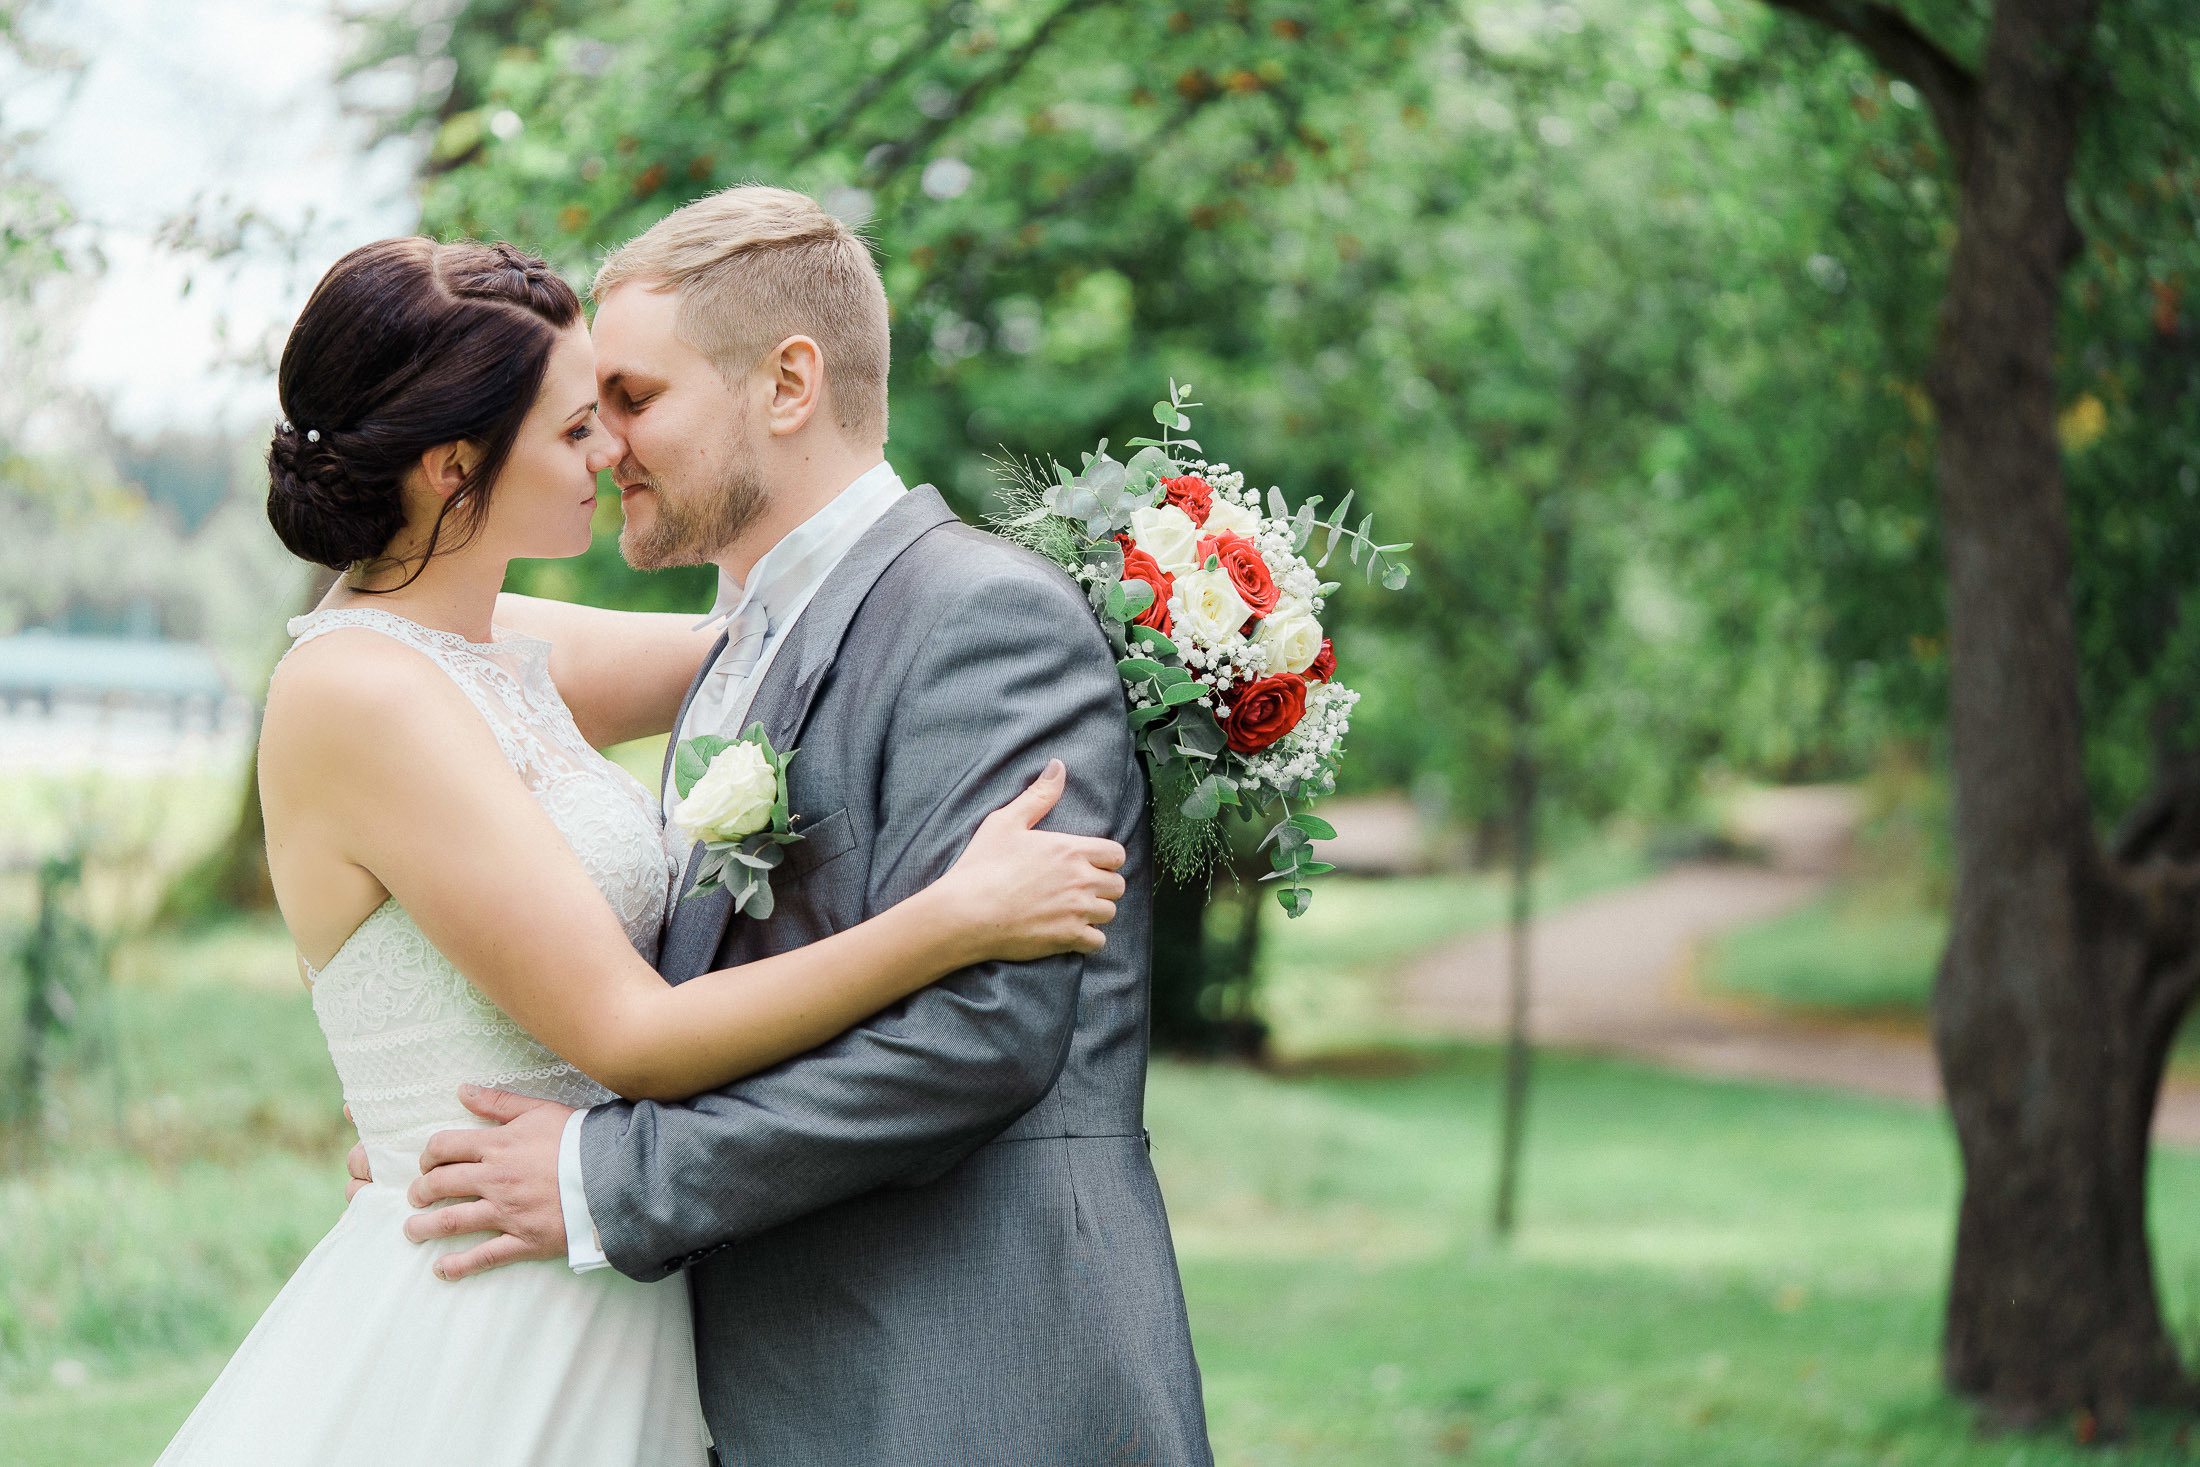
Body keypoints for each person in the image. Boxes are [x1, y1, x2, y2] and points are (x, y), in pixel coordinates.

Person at [154, 234, 1129, 1467]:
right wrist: (952, 918)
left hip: (627, 1286)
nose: (609, 450)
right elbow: (632, 1035)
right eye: (575, 429)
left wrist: (1158, 608)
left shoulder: (492, 640)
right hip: (498, 1296)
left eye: (621, 408)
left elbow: (803, 626)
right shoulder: (365, 693)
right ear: (457, 467)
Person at [394, 185, 1216, 1465]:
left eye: (636, 398)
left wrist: (598, 1181)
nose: (601, 446)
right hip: (779, 1383)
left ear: (787, 384)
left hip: (963, 1383)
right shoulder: (738, 647)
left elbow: (981, 1036)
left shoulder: (980, 621)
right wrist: (445, 1143)